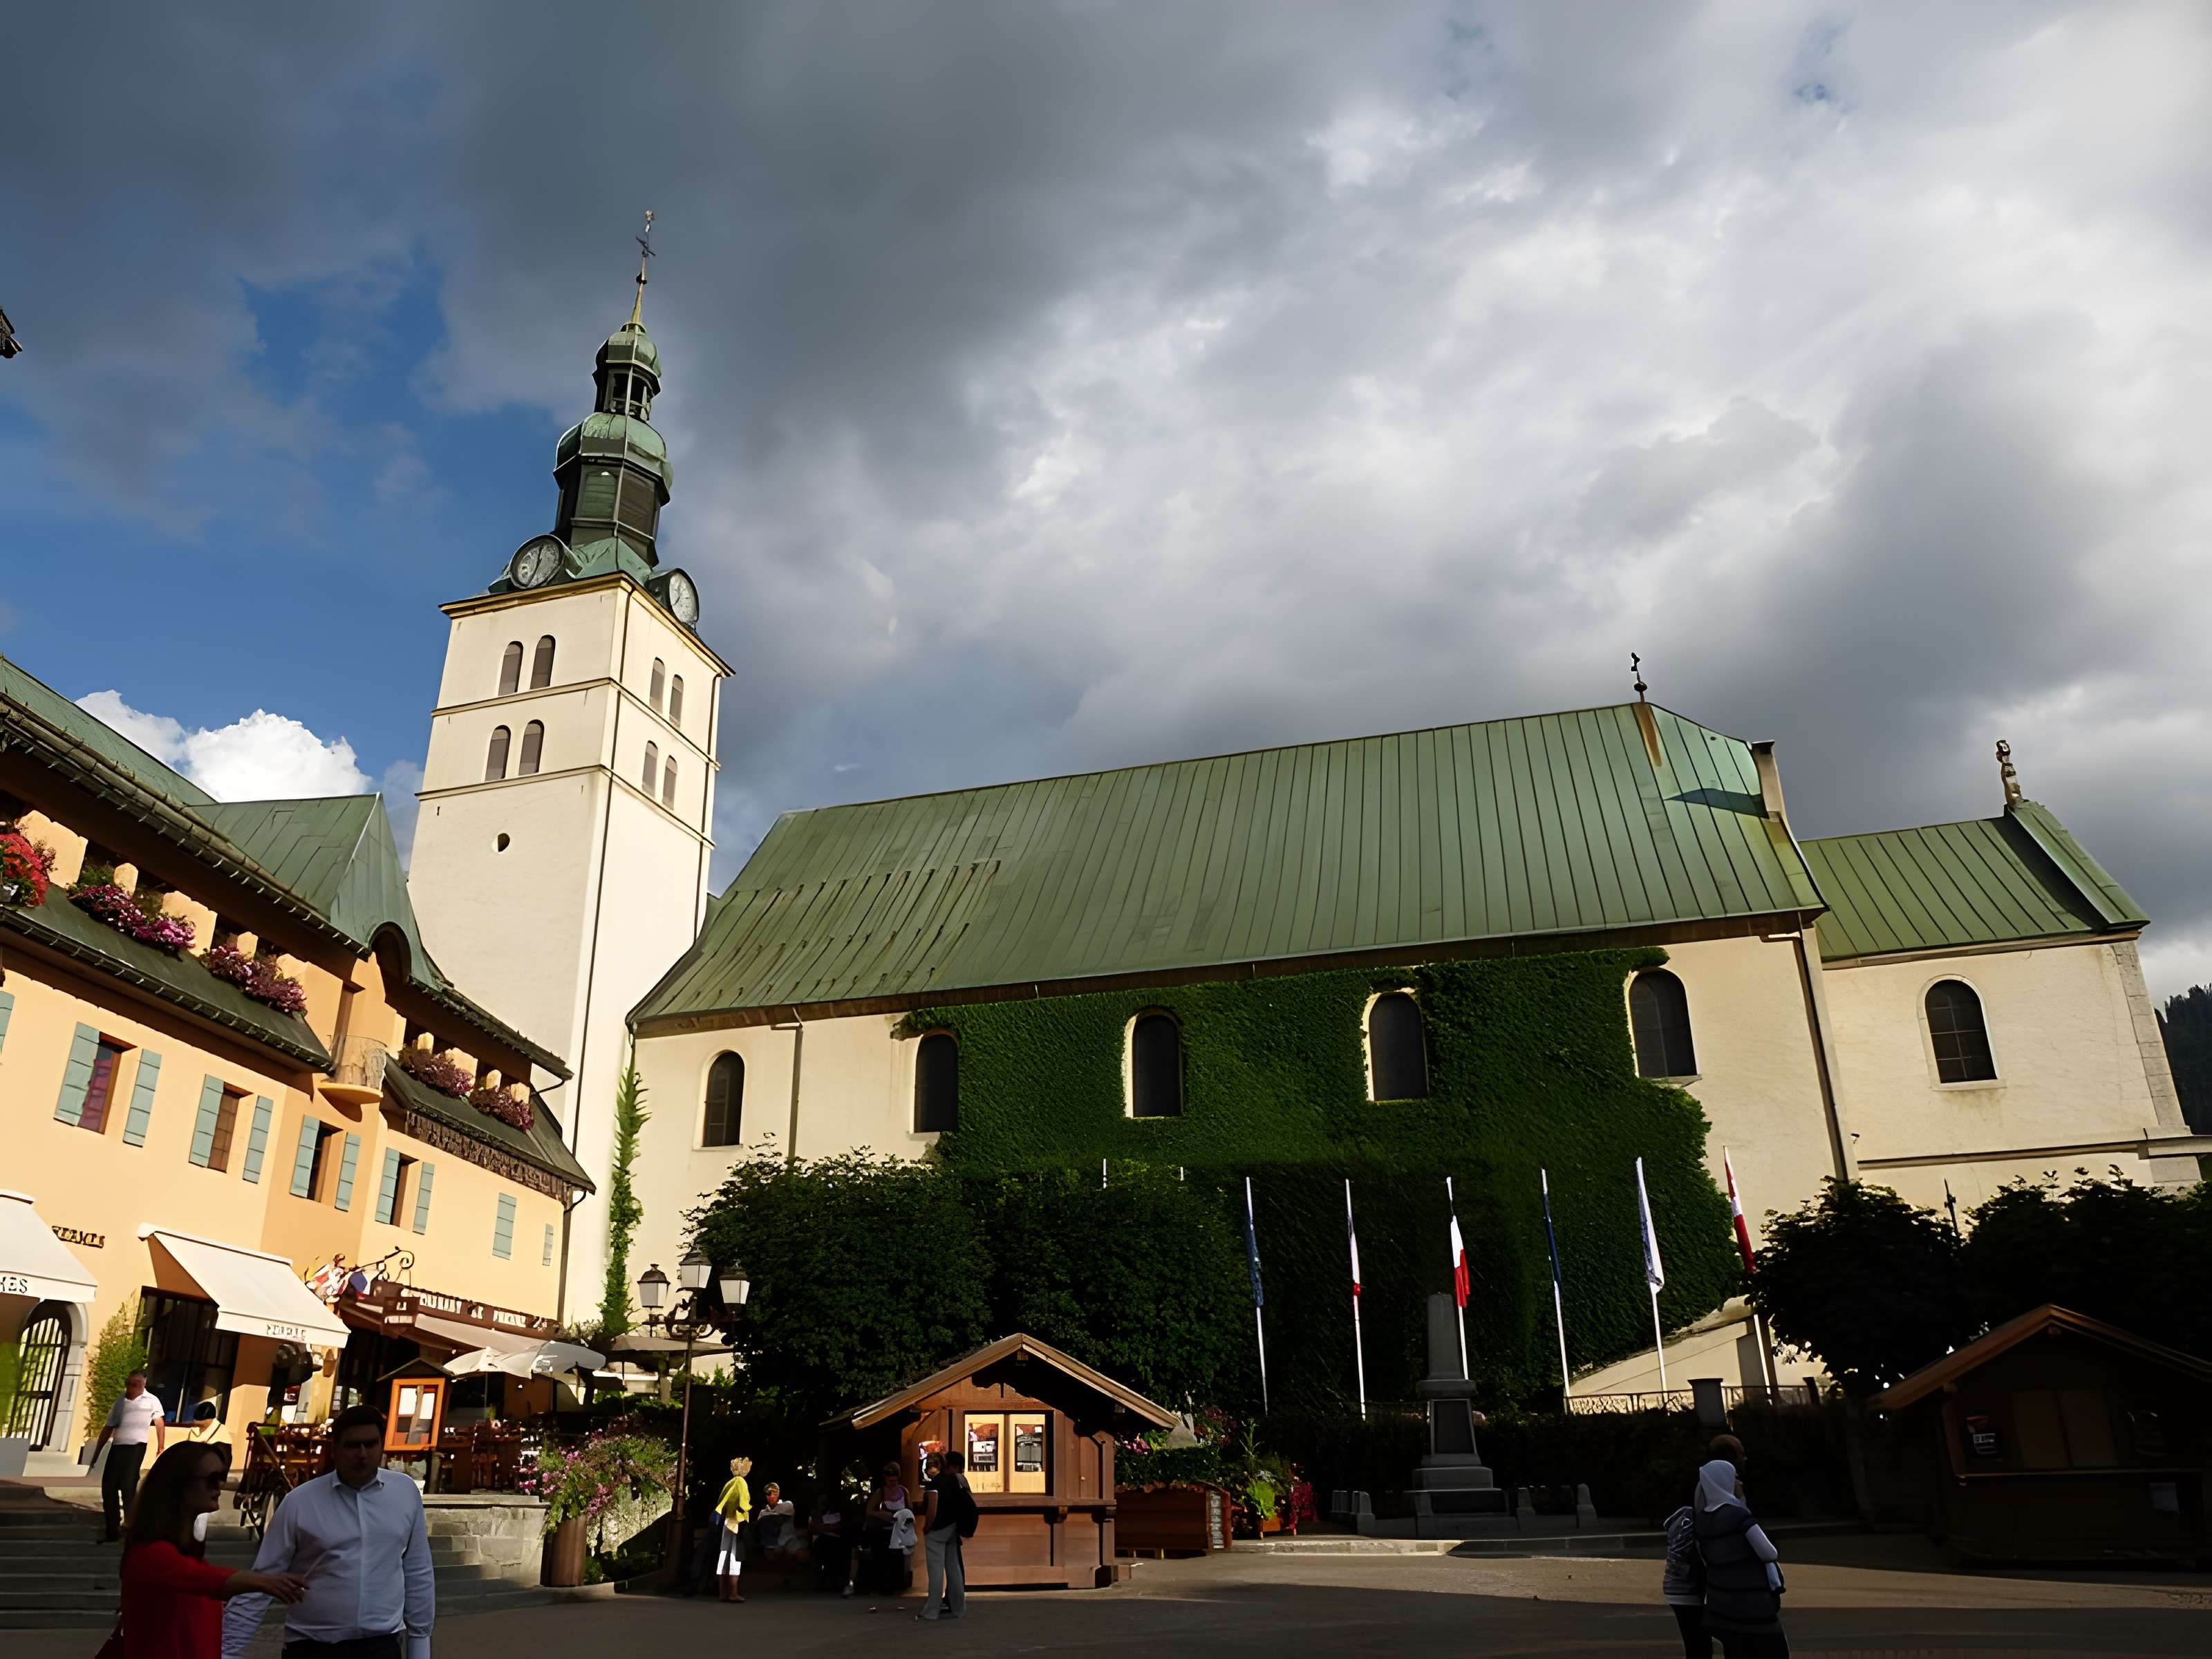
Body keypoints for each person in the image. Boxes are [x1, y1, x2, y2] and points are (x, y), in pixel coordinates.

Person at [221, 1403, 435, 1659]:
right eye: (353, 1445)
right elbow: (263, 1579)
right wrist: (226, 1652)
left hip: (381, 1645)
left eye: (371, 1444)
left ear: (382, 1446)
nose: (363, 1454)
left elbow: (417, 1569)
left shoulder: (404, 1493)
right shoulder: (300, 1502)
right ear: (335, 1449)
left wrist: (420, 1643)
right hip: (313, 1646)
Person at [118, 1442, 306, 1659]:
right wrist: (264, 1582)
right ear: (178, 1484)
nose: (219, 1487)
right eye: (211, 1479)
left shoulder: (184, 1551)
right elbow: (205, 1579)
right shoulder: (152, 1553)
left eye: (222, 1478)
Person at [1691, 1447, 1788, 1659]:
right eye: (1734, 1478)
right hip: (1753, 1604)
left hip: (1722, 1606)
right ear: (1723, 1481)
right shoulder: (1737, 1515)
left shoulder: (1703, 1518)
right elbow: (1768, 1552)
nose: (1740, 1483)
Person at [95, 1369, 167, 1542]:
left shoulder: (152, 1401)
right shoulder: (121, 1400)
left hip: (136, 1447)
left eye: (135, 1384)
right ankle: (112, 1530)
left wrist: (161, 1445)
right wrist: (99, 1448)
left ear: (143, 1385)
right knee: (108, 1487)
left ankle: (131, 1529)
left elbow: (159, 1422)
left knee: (128, 1487)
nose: (130, 1387)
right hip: (118, 1447)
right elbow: (109, 1425)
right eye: (128, 1383)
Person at [917, 1450, 972, 1622]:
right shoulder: (955, 1481)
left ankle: (932, 1610)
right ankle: (959, 1608)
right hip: (953, 1528)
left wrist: (927, 1527)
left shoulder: (935, 1483)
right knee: (954, 1568)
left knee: (935, 1571)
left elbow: (932, 1508)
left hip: (937, 1529)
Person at [1660, 1486, 1709, 1658]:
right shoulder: (1696, 1519)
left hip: (1674, 1587)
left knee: (1694, 1642)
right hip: (1688, 1589)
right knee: (1700, 1644)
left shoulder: (1681, 1517)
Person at [863, 1460, 908, 1595]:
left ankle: (895, 1586)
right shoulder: (880, 1493)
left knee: (896, 1558)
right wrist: (882, 1515)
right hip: (883, 1532)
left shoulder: (904, 1492)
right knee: (881, 1558)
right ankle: (880, 1586)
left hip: (898, 1531)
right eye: (890, 1481)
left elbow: (909, 1508)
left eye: (894, 1481)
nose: (892, 1484)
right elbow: (869, 1511)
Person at [713, 1455, 753, 1603]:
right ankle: (733, 1593)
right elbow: (744, 1504)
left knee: (724, 1557)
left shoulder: (729, 1483)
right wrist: (748, 1513)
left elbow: (721, 1502)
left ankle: (723, 1593)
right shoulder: (741, 1482)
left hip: (726, 1522)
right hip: (736, 1522)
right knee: (734, 1559)